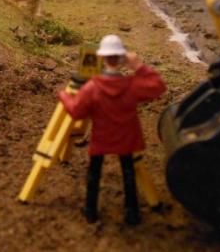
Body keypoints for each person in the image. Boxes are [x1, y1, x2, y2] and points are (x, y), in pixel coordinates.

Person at [59, 34, 166, 225]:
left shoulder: (92, 87)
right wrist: (139, 66)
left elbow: (76, 111)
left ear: (101, 57)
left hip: (101, 138)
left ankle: (90, 211)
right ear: (122, 58)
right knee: (128, 173)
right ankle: (132, 213)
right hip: (127, 138)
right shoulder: (132, 85)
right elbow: (158, 86)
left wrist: (64, 96)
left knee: (94, 173)